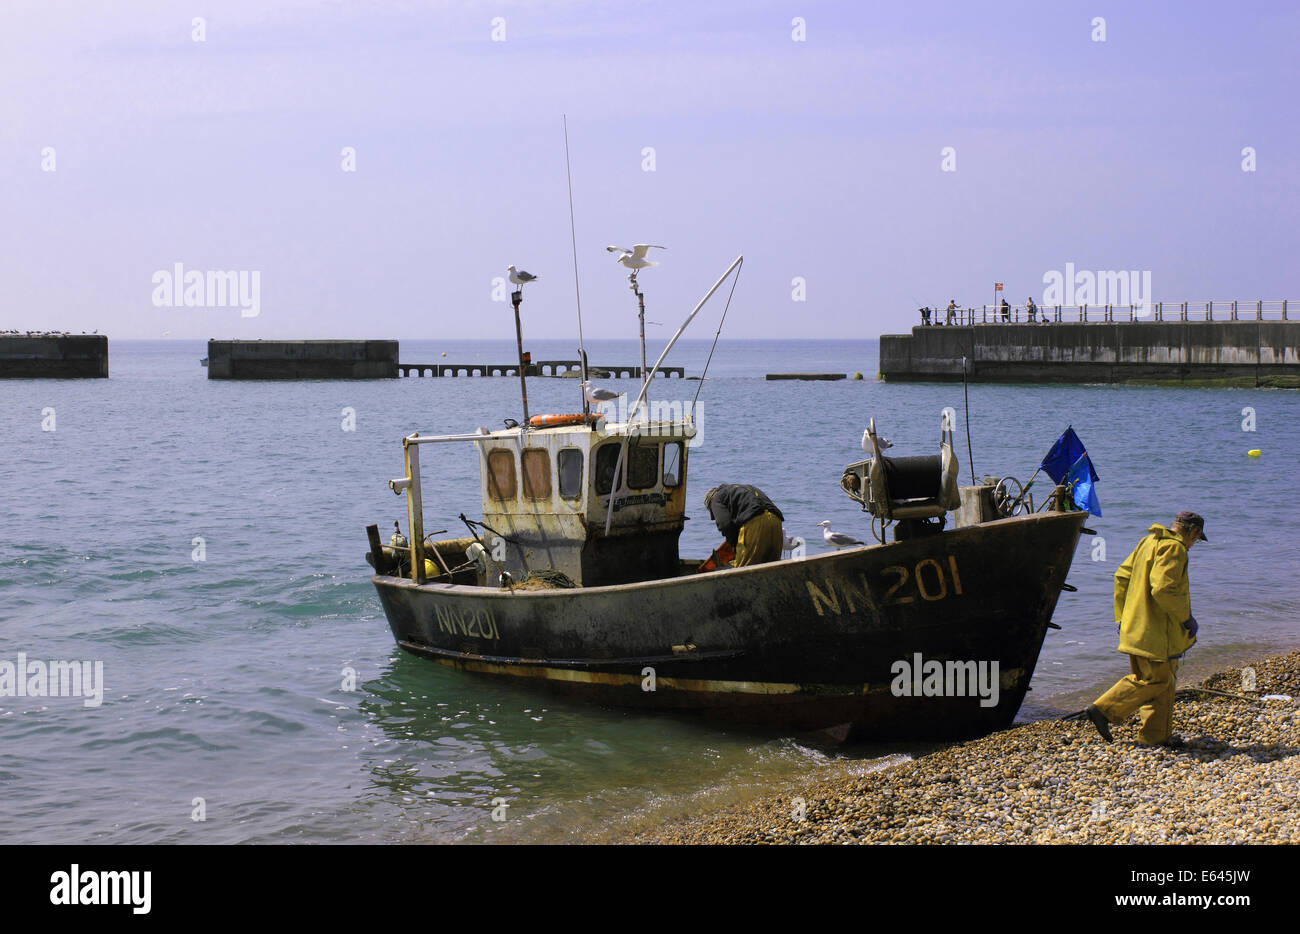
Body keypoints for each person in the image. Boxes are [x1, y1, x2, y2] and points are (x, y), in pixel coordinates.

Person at [1085, 512, 1208, 747]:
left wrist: (1122, 616)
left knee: (1161, 682)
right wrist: (1186, 618)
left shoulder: (1148, 542)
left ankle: (1155, 737)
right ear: (1192, 531)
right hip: (1156, 633)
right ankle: (1104, 709)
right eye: (1196, 539)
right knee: (1158, 681)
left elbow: (1121, 576)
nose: (1193, 545)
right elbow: (1163, 589)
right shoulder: (1175, 549)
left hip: (1135, 627)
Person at [703, 485, 785, 566]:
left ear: (711, 500)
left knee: (744, 568)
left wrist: (735, 548)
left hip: (754, 523)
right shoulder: (744, 489)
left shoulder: (715, 498)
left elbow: (725, 525)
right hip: (776, 522)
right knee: (772, 566)